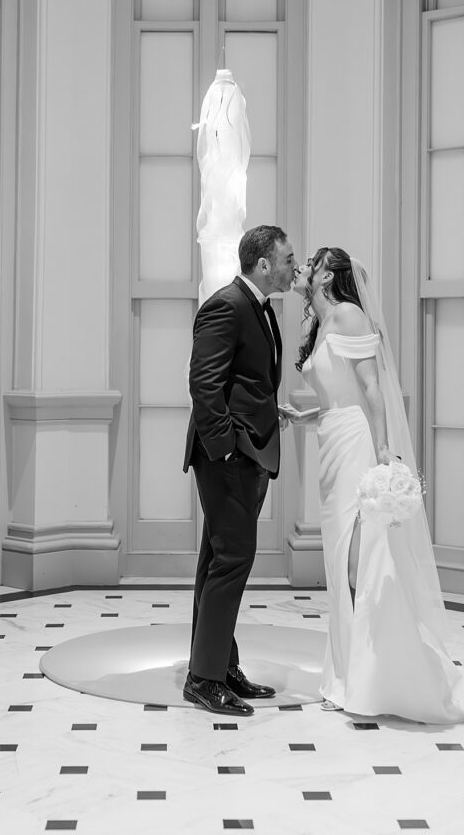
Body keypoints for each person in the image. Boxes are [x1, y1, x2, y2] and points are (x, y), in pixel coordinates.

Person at [280, 246, 464, 724]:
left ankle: (375, 676)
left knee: (362, 561)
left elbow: (371, 391)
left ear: (327, 275)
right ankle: (345, 675)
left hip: (355, 446)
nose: (302, 269)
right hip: (330, 444)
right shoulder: (319, 324)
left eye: (309, 263)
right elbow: (338, 396)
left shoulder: (350, 316)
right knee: (338, 561)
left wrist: (382, 453)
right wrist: (305, 414)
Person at [183, 224, 298, 716]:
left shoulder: (261, 308)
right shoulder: (225, 305)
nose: (295, 266)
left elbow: (250, 383)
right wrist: (228, 448)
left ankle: (220, 667)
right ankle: (202, 680)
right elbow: (203, 385)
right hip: (228, 460)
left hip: (250, 453)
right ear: (264, 264)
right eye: (289, 259)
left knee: (219, 562)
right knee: (232, 562)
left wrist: (269, 418)